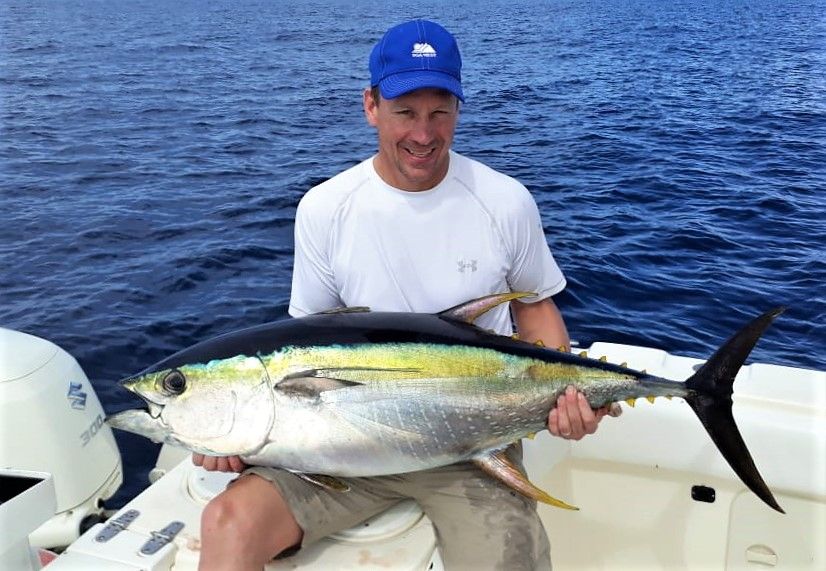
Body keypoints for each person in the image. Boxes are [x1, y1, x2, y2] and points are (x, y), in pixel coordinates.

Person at [193, 19, 615, 571]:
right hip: (339, 445)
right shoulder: (324, 208)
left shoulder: (504, 201)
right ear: (371, 106)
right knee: (227, 525)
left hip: (469, 442)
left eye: (440, 112)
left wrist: (566, 397)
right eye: (405, 112)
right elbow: (305, 350)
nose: (424, 134)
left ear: (459, 110)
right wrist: (235, 433)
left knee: (508, 559)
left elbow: (536, 311)